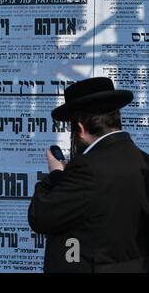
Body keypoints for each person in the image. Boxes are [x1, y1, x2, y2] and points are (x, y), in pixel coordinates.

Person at [28, 77, 149, 272]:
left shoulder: (87, 168)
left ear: (81, 129)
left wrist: (56, 174)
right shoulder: (143, 161)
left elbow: (41, 216)